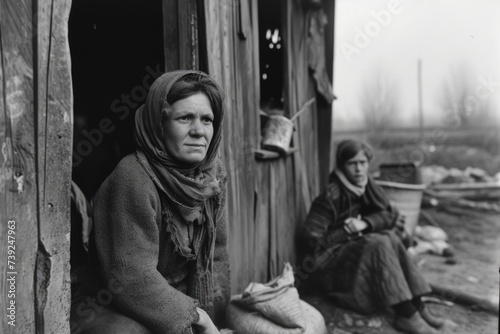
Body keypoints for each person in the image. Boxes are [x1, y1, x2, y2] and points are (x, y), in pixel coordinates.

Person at [70, 70, 229, 334]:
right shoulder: (132, 178)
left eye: (207, 119)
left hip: (176, 303)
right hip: (111, 303)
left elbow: (217, 256)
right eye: (185, 118)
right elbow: (130, 278)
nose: (199, 131)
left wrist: (208, 315)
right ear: (159, 125)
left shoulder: (211, 181)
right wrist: (196, 317)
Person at [299, 139, 452, 334]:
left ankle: (418, 307)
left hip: (347, 252)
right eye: (352, 163)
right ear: (341, 165)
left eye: (363, 163)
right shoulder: (332, 194)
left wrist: (365, 223)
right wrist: (344, 232)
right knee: (378, 242)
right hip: (326, 264)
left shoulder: (363, 184)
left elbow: (389, 214)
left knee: (390, 237)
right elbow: (310, 240)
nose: (358, 169)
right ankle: (406, 314)